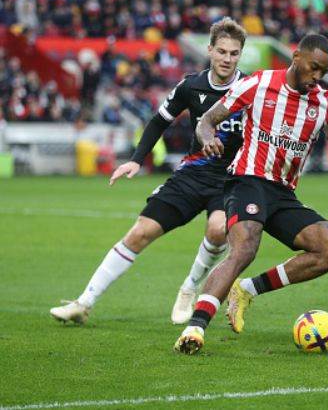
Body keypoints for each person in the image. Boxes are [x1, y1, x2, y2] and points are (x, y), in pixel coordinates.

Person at [174, 34, 328, 354]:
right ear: (296, 57)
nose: (317, 76)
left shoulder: (326, 106)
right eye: (314, 67)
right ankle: (195, 328)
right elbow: (208, 120)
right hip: (247, 179)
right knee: (245, 248)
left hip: (282, 193)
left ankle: (247, 290)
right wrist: (207, 137)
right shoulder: (259, 84)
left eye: (324, 72)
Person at [50, 18, 248, 324]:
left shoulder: (252, 89)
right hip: (192, 175)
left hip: (231, 179)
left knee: (218, 228)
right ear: (209, 50)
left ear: (240, 55)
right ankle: (83, 302)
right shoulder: (190, 85)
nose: (227, 58)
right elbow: (159, 121)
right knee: (141, 231)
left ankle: (189, 287)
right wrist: (135, 159)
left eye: (234, 53)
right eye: (221, 51)